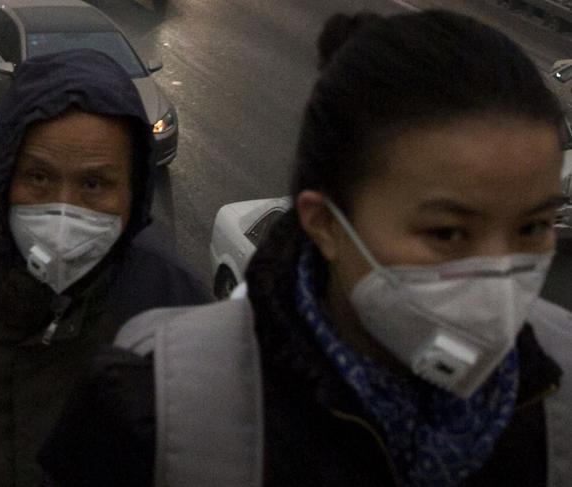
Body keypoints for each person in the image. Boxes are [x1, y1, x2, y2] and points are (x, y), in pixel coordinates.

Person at [39, 10, 568, 487]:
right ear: (326, 224)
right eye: (448, 234)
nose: (498, 272)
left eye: (532, 227)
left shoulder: (559, 375)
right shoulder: (156, 407)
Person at [0, 49, 211, 487]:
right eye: (39, 177)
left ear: (134, 193)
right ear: (4, 176)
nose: (64, 210)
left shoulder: (175, 307)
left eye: (94, 184)